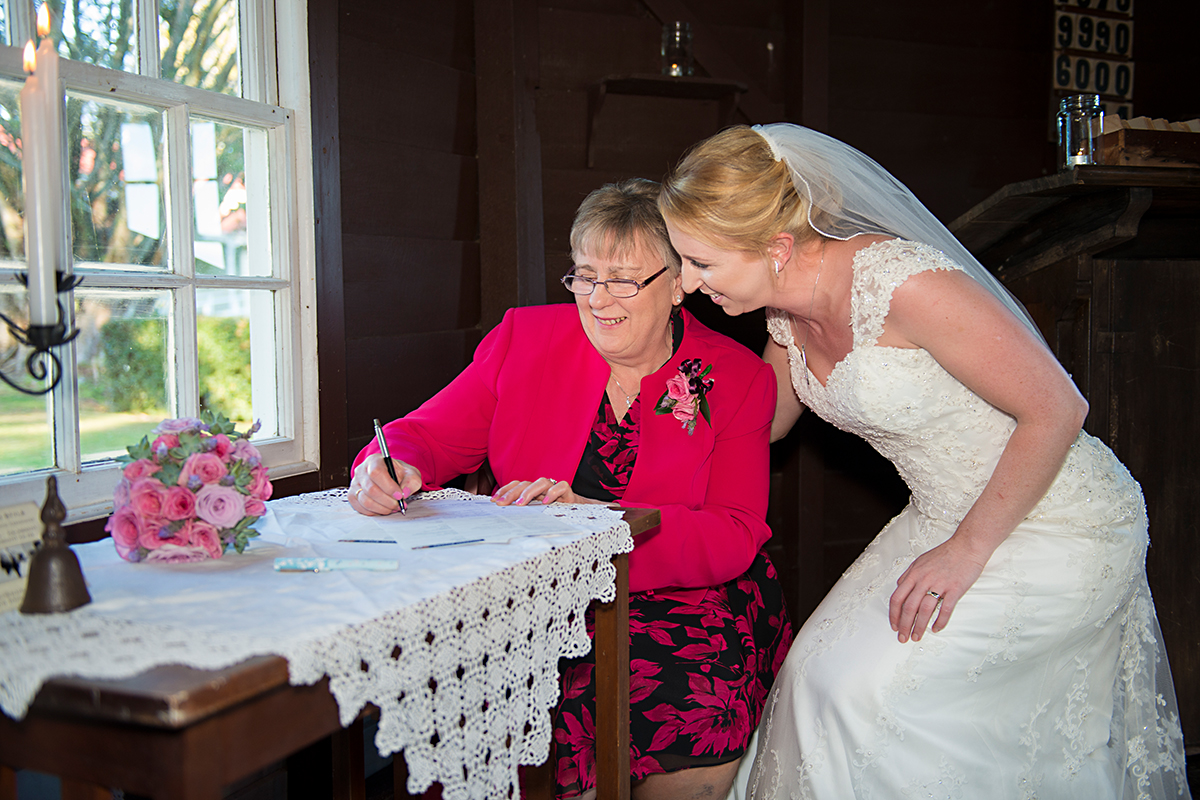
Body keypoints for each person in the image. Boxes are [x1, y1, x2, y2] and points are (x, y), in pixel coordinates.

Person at [657, 124, 1191, 799]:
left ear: (779, 246)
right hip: (941, 515)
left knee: (871, 701)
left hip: (1054, 520)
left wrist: (965, 551)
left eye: (701, 263)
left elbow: (1057, 409)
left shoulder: (906, 286)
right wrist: (681, 402)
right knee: (812, 678)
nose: (686, 282)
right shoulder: (786, 313)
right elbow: (765, 425)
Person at [350, 178, 793, 800]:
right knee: (494, 697)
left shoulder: (738, 378)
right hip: (532, 597)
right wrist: (385, 466)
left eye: (623, 280)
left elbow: (736, 531)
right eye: (585, 275)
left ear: (677, 284)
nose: (598, 299)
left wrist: (601, 520)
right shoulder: (524, 340)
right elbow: (421, 436)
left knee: (687, 700)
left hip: (678, 593)